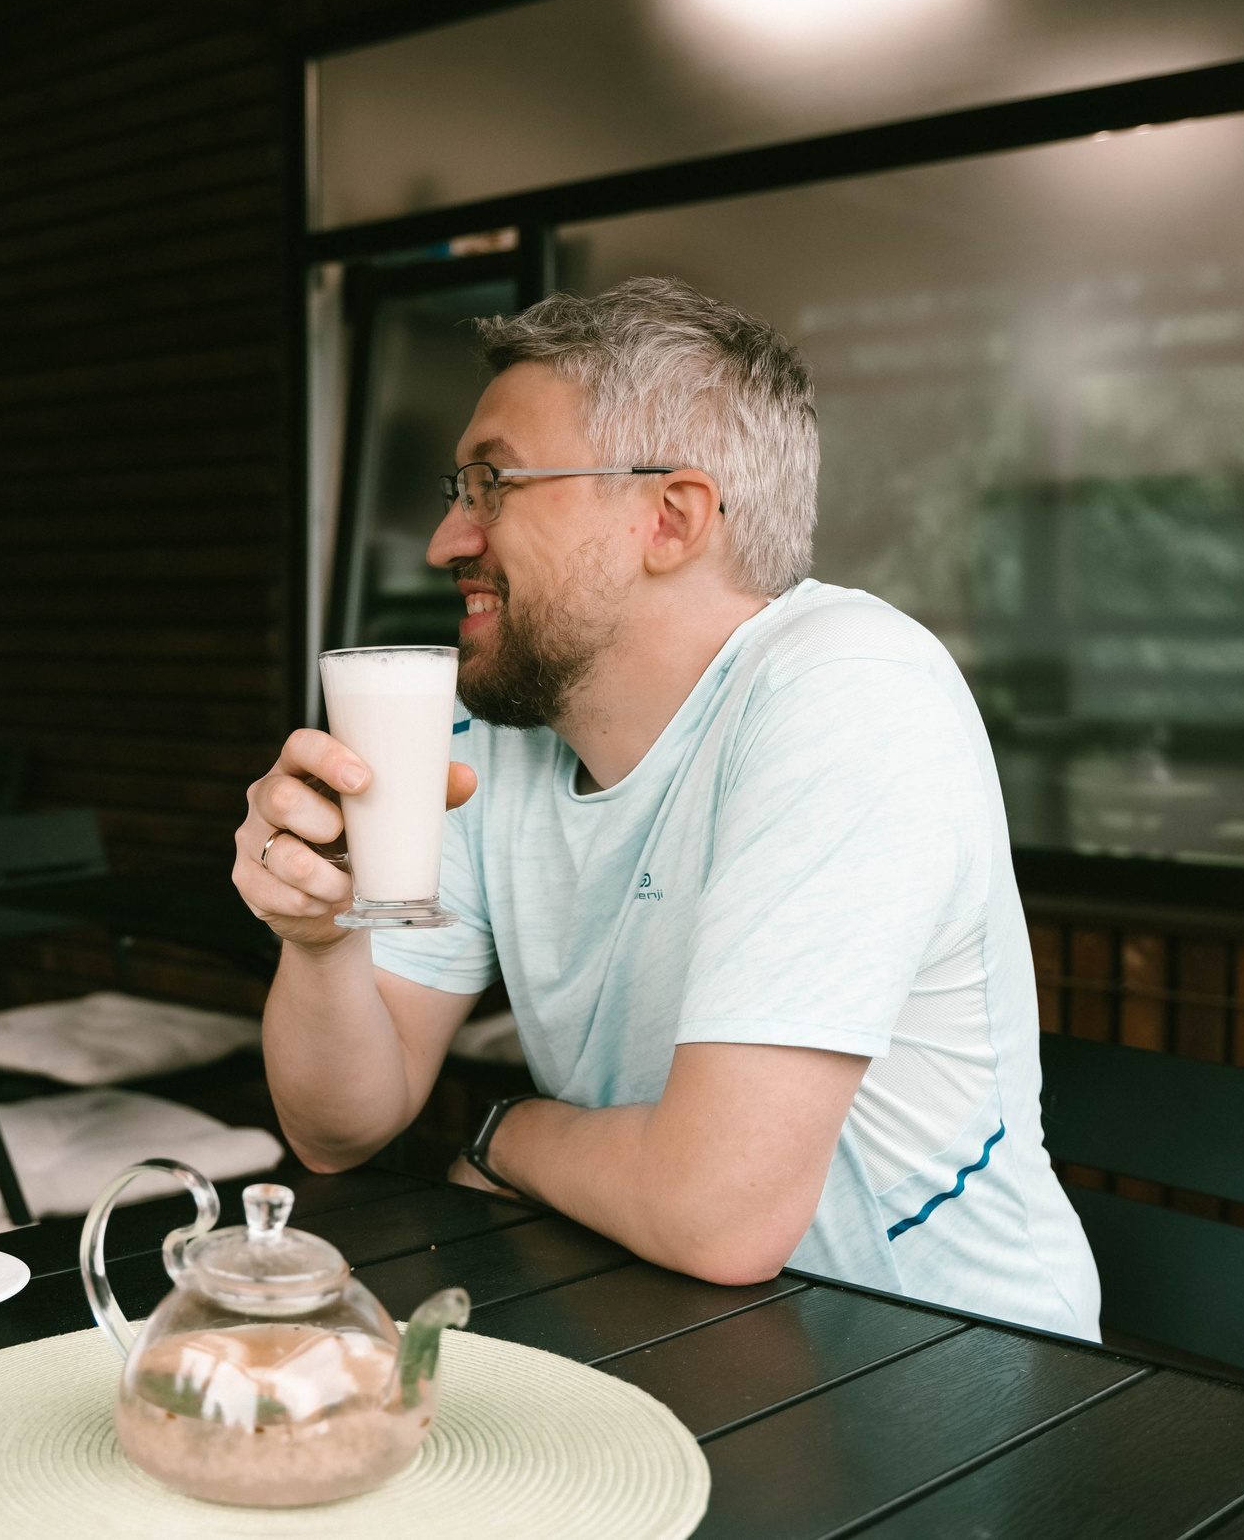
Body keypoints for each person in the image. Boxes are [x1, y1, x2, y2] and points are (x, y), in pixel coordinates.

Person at [239, 278, 1098, 1340]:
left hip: (956, 1369)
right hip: (660, 1324)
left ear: (670, 516)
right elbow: (337, 1133)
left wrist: (506, 1131)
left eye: (490, 485)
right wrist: (318, 940)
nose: (445, 540)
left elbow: (718, 1215)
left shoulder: (847, 692)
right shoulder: (484, 741)